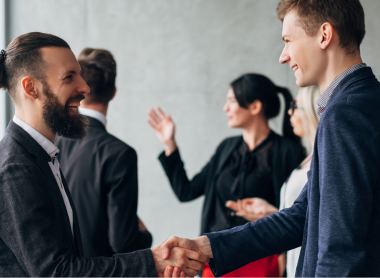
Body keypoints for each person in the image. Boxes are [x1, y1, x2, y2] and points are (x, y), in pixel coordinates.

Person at [161, 0, 380, 276]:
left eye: (288, 40)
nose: (283, 56)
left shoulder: (344, 113)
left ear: (325, 35)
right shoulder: (363, 102)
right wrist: (206, 247)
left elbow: (340, 248)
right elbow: (302, 216)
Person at [0, 32, 208, 276]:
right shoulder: (16, 168)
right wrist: (153, 261)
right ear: (30, 87)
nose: (85, 87)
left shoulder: (45, 156)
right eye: (69, 77)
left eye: (80, 74)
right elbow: (57, 272)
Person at [147, 73, 305, 277]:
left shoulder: (289, 152)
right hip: (215, 259)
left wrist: (270, 213)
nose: (225, 108)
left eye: (231, 101)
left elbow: (299, 214)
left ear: (255, 107)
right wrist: (170, 145)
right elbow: (186, 191)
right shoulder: (226, 148)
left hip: (261, 260)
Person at [56, 48, 152, 258]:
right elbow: (124, 242)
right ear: (114, 92)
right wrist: (145, 236)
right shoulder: (120, 154)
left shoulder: (51, 141)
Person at [226, 85, 320, 277]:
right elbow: (302, 216)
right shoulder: (308, 158)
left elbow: (317, 221)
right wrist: (270, 212)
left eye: (295, 107)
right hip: (293, 262)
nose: (289, 112)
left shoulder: (296, 154)